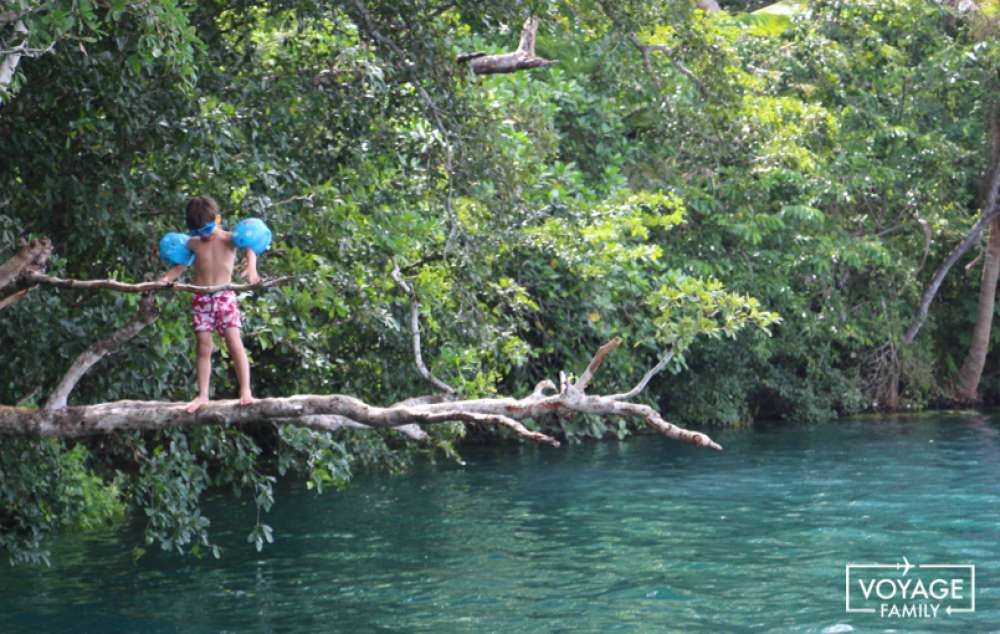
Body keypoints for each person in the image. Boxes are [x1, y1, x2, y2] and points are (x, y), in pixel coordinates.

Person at [160, 196, 260, 413]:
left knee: (234, 343)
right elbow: (180, 266)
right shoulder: (193, 244)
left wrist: (252, 268)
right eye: (198, 233)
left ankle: (245, 390)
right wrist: (163, 280)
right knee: (203, 346)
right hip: (201, 298)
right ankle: (203, 394)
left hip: (224, 296)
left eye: (206, 230)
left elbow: (250, 248)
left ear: (217, 219)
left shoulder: (229, 238)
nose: (203, 237)